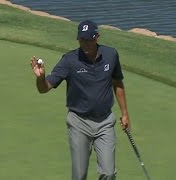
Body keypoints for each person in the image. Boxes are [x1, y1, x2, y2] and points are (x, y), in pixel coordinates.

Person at [30, 20, 131, 180]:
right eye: (81, 39)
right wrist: (41, 78)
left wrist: (125, 114)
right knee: (79, 175)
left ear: (97, 37)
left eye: (88, 39)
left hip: (105, 122)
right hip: (79, 123)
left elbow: (117, 82)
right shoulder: (69, 60)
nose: (85, 43)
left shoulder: (111, 55)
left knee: (108, 173)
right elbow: (44, 88)